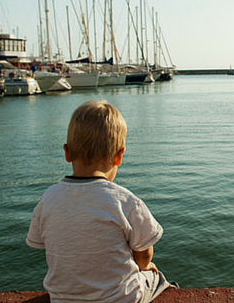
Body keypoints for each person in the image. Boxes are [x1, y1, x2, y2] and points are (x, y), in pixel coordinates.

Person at [27, 100, 174, 303]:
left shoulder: (48, 199)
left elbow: (41, 242)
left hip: (62, 299)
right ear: (119, 156)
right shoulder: (126, 202)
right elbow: (144, 250)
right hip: (120, 299)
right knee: (156, 277)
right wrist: (144, 266)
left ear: (67, 152)